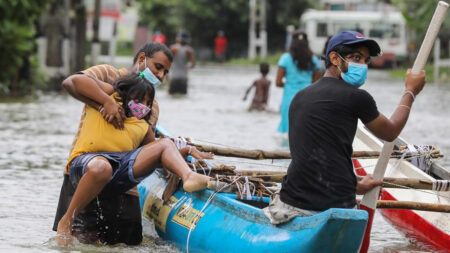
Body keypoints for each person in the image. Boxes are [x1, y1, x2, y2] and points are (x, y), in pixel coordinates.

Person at [263, 31, 426, 224]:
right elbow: (390, 132)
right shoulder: (357, 97)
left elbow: (317, 159)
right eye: (356, 57)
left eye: (366, 60)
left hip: (289, 203)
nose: (362, 65)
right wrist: (410, 91)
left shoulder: (300, 96)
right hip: (334, 204)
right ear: (334, 58)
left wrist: (355, 185)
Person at [55, 73, 213, 246]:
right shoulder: (108, 97)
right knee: (102, 167)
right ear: (125, 95)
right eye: (139, 100)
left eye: (148, 103)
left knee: (165, 144)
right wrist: (107, 103)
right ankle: (67, 220)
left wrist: (186, 151)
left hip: (118, 169)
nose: (143, 106)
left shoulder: (143, 126)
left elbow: (158, 155)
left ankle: (188, 176)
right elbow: (73, 81)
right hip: (87, 162)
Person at [53, 42, 175, 245]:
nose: (161, 76)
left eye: (166, 72)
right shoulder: (108, 74)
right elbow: (71, 83)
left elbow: (145, 146)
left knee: (126, 245)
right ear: (142, 59)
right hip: (87, 169)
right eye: (158, 67)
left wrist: (173, 155)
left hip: (123, 184)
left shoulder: (151, 106)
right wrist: (105, 102)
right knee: (81, 241)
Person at [276, 31, 320, 134]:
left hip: (289, 99)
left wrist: (289, 85)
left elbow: (278, 82)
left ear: (292, 43)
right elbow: (317, 82)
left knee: (286, 132)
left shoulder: (285, 58)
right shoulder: (313, 59)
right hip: (309, 98)